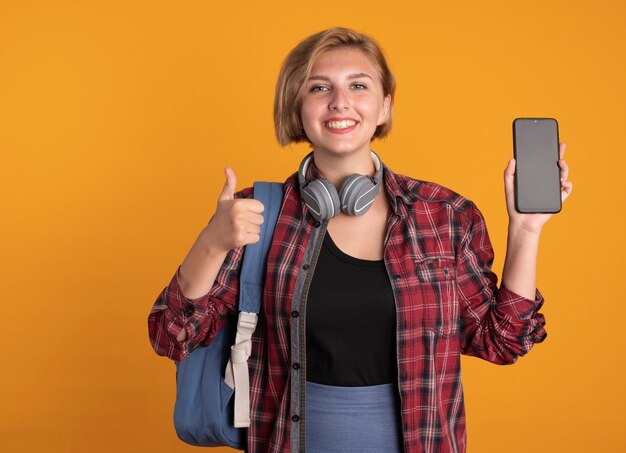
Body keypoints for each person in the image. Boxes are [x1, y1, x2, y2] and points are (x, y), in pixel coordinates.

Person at [148, 27, 572, 453]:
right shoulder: (256, 214)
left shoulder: (443, 214)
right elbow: (171, 336)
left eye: (358, 85)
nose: (340, 101)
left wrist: (525, 229)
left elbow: (501, 340)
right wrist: (212, 242)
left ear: (385, 106)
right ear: (297, 105)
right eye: (319, 87)